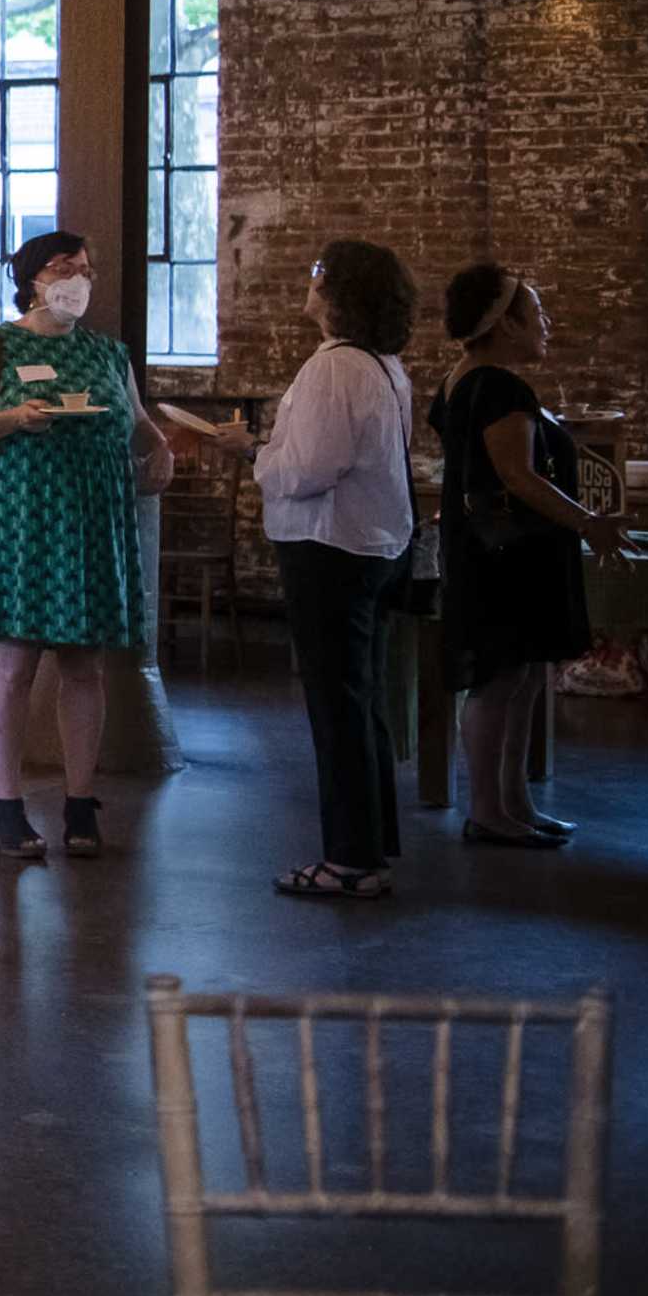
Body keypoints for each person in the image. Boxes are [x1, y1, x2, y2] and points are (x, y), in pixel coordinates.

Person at [184, 241, 420, 897]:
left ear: (342, 291)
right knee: (361, 698)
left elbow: (311, 469)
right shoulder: (382, 364)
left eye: (318, 273)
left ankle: (349, 860)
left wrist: (250, 452)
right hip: (370, 545)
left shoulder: (334, 369)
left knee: (336, 705)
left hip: (330, 549)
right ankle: (374, 843)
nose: (308, 281)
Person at [0, 232, 173, 864]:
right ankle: (7, 803)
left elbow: (137, 423)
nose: (79, 279)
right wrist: (15, 419)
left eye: (87, 270)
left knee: (83, 667)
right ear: (31, 278)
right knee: (14, 665)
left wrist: (160, 447)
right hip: (24, 521)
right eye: (64, 267)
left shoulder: (106, 351)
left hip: (93, 520)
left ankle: (79, 799)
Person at [431, 264, 623, 849]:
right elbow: (517, 476)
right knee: (498, 679)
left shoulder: (460, 379)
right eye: (536, 313)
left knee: (519, 679)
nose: (546, 323)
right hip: (503, 558)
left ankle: (515, 803)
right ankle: (489, 811)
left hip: (491, 551)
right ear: (505, 325)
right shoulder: (502, 388)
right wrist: (588, 521)